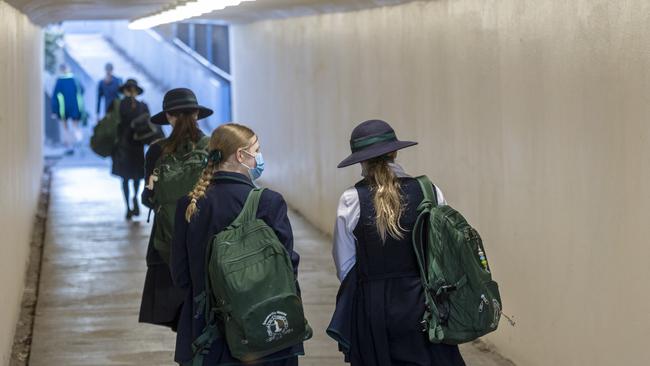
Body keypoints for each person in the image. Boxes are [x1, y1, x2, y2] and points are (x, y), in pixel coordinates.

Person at [330, 119, 466, 366]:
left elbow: (346, 266)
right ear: (395, 152)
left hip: (374, 307)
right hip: (424, 300)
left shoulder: (352, 200)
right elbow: (443, 248)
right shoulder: (429, 190)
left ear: (361, 160)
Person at [170, 123, 304, 366]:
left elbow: (180, 276)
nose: (259, 158)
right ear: (241, 155)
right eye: (256, 150)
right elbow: (287, 269)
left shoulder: (188, 206)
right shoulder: (268, 203)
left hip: (206, 333)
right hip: (261, 330)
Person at [139, 88, 210, 332]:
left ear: (168, 117)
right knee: (207, 312)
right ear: (198, 114)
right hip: (206, 242)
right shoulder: (213, 147)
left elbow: (148, 198)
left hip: (166, 245)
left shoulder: (157, 150)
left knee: (180, 316)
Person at [111, 79, 148, 220]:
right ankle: (132, 201)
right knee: (134, 178)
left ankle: (129, 205)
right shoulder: (141, 106)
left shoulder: (119, 105)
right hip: (134, 146)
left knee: (127, 178)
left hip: (125, 147)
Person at [51, 63, 85, 155]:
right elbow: (82, 91)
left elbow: (55, 96)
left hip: (63, 109)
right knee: (75, 126)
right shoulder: (75, 80)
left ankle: (70, 145)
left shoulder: (60, 81)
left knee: (66, 127)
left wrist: (54, 110)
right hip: (75, 107)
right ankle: (79, 142)